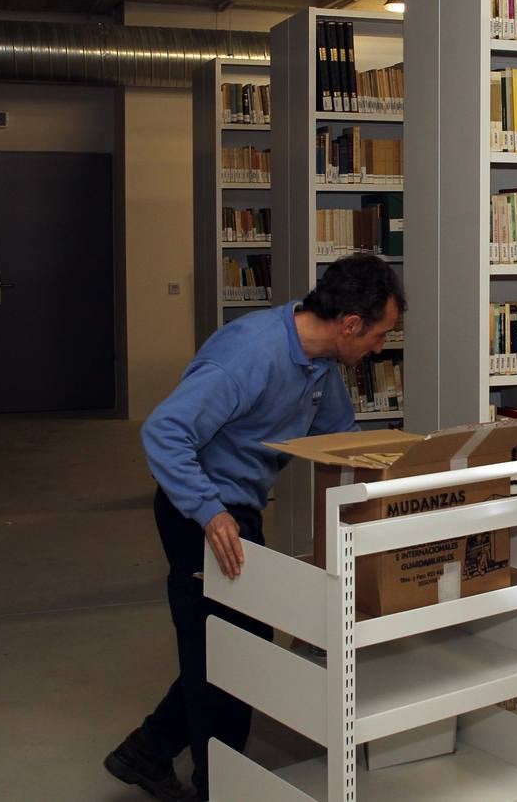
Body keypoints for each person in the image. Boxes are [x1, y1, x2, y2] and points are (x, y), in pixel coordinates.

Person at [104, 253, 406, 802]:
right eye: (381, 334)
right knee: (229, 656)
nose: (381, 348)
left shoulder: (320, 364)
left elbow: (338, 439)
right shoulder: (248, 354)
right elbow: (165, 432)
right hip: (199, 510)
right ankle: (217, 787)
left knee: (232, 646)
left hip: (236, 507)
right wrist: (208, 510)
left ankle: (146, 752)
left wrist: (401, 478)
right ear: (350, 324)